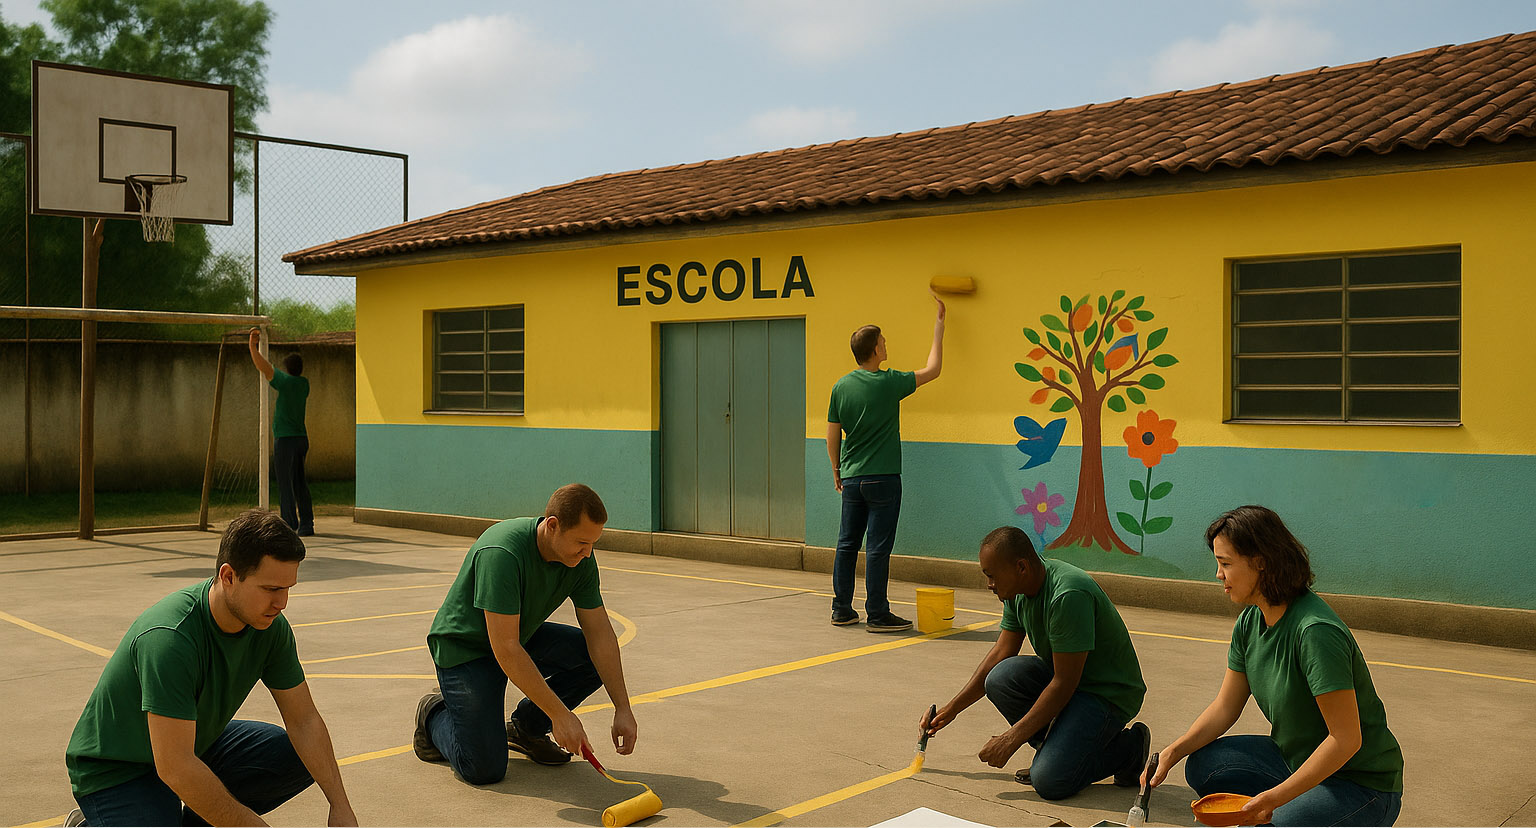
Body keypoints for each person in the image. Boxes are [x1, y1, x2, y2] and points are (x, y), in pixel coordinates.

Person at [64, 510, 357, 827]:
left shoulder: (270, 628)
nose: (282, 603)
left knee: (296, 757)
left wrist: (339, 806)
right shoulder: (170, 638)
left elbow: (304, 720)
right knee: (181, 780)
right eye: (271, 589)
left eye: (288, 588)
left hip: (191, 741)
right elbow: (174, 765)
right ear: (229, 576)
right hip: (119, 767)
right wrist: (249, 824)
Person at [1144, 506, 1404, 826]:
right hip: (1294, 760)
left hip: (1359, 783)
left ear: (1261, 561)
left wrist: (1275, 798)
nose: (1218, 575)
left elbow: (1347, 739)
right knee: (1203, 765)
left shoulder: (1315, 632)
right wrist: (1174, 750)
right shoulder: (1249, 621)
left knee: (1281, 820)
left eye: (1225, 563)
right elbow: (1226, 706)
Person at [413, 483, 637, 786]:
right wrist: (560, 715)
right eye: (582, 543)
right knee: (483, 769)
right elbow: (505, 648)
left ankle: (527, 728)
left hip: (517, 636)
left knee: (590, 659)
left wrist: (622, 707)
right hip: (466, 650)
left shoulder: (581, 560)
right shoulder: (502, 551)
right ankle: (434, 712)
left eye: (593, 544)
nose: (588, 553)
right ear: (553, 526)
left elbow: (600, 634)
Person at [920, 526, 1150, 800]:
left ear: (1021, 567)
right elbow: (1001, 652)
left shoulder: (1067, 594)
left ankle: (1129, 749)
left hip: (1106, 694)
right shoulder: (1016, 592)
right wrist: (950, 710)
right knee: (1001, 677)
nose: (989, 585)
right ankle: (1059, 752)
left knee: (1050, 781)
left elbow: (1064, 684)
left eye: (992, 576)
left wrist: (1011, 739)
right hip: (1071, 682)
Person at [825, 293, 946, 632]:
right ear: (875, 350)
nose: (886, 345)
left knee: (847, 543)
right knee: (877, 548)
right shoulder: (889, 382)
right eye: (883, 342)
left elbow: (832, 434)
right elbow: (933, 369)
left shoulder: (840, 387)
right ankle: (877, 613)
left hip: (851, 478)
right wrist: (939, 325)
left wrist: (836, 469)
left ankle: (841, 609)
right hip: (884, 479)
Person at [248, 328, 313, 536]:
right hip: (301, 439)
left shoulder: (285, 382)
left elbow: (263, 366)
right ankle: (306, 524)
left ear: (287, 369)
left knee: (285, 484)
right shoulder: (304, 384)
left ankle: (289, 525)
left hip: (285, 440)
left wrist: (252, 345)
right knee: (300, 482)